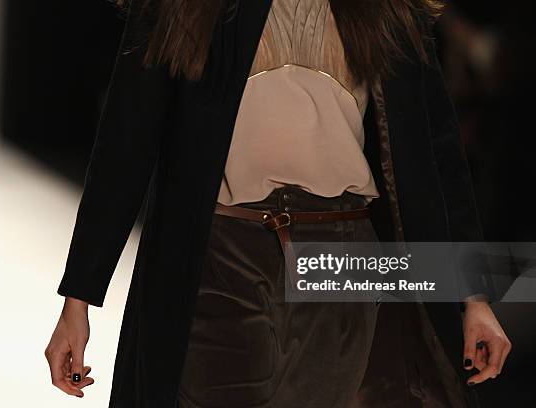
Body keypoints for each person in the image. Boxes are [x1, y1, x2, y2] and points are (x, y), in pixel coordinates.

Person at [44, 0, 512, 407]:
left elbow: (437, 154)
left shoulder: (387, 7)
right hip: (226, 246)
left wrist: (475, 298)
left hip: (344, 253)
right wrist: (78, 300)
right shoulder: (183, 5)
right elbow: (126, 139)